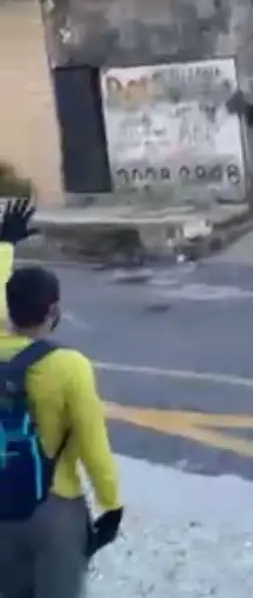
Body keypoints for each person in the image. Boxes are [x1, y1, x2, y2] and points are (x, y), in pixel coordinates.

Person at [0, 198, 123, 598]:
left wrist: (4, 245)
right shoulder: (69, 365)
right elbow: (93, 443)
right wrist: (111, 504)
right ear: (53, 311)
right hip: (55, 505)